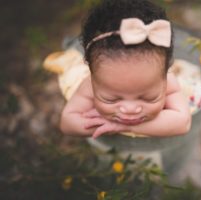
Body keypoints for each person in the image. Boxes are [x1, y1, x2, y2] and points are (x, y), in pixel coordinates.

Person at [59, 0, 191, 139]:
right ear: (92, 75)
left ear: (165, 72)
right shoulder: (89, 85)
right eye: (111, 99)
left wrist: (125, 127)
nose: (130, 110)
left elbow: (183, 123)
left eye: (148, 98)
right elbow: (67, 123)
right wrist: (98, 125)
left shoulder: (168, 81)